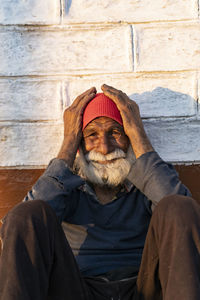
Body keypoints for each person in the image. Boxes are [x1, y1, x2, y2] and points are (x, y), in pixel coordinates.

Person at [0, 84, 199, 300]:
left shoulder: (149, 176)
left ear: (129, 137)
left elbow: (185, 221)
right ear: (79, 142)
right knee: (27, 213)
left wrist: (139, 137)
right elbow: (24, 224)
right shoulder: (65, 182)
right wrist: (68, 145)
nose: (104, 148)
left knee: (178, 206)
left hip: (143, 289)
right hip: (77, 289)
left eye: (115, 133)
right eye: (91, 135)